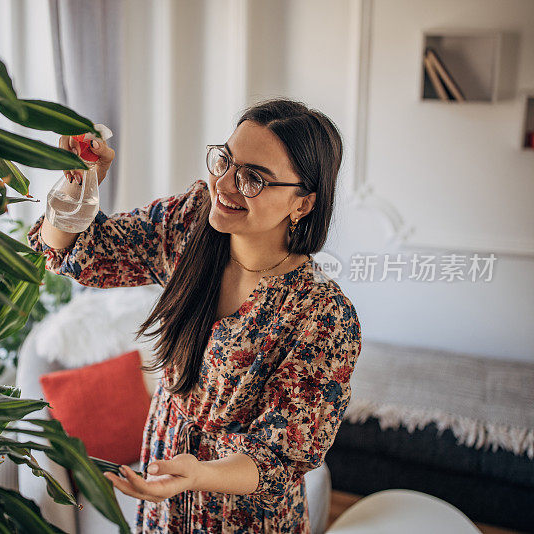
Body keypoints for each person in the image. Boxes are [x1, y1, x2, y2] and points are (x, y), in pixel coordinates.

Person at [26, 98, 362, 534]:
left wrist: (200, 474)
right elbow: (68, 253)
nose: (225, 183)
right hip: (164, 498)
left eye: (254, 178)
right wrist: (79, 183)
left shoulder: (322, 316)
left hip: (242, 518)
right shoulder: (191, 221)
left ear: (303, 203)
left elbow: (277, 458)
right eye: (225, 160)